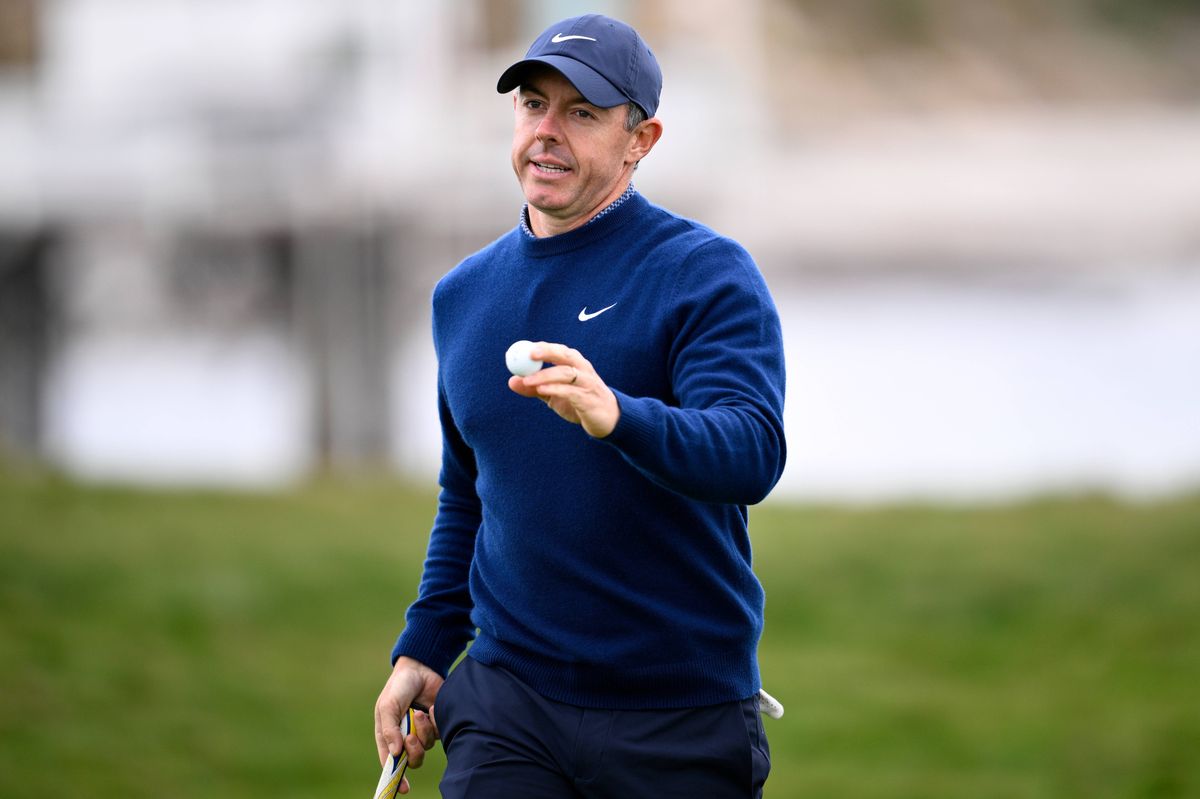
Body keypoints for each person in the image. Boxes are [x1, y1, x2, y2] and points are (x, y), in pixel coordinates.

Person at [374, 13, 785, 798]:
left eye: (582, 113)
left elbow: (751, 450)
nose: (547, 132)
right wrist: (423, 649)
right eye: (533, 104)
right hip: (509, 702)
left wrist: (618, 416)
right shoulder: (463, 294)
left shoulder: (704, 273)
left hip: (677, 709)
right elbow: (469, 493)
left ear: (642, 139)